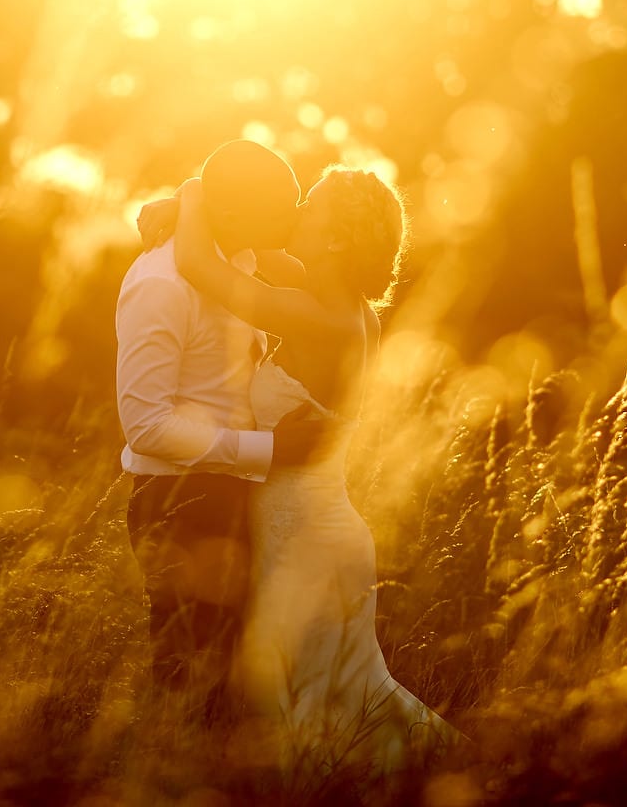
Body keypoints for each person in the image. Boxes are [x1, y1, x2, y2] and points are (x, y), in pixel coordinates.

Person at [140, 163, 467, 777]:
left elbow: (201, 269)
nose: (295, 216)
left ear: (338, 238)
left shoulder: (326, 317)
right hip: (305, 529)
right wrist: (192, 211)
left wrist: (191, 192)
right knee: (329, 704)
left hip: (306, 539)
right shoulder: (334, 301)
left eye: (309, 207)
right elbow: (255, 248)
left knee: (313, 715)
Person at [115, 140, 327, 735]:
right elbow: (146, 425)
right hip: (179, 504)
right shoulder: (161, 284)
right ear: (234, 212)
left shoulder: (241, 261)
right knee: (192, 684)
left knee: (238, 684)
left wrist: (187, 193)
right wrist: (268, 452)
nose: (296, 215)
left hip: (236, 494)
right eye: (282, 205)